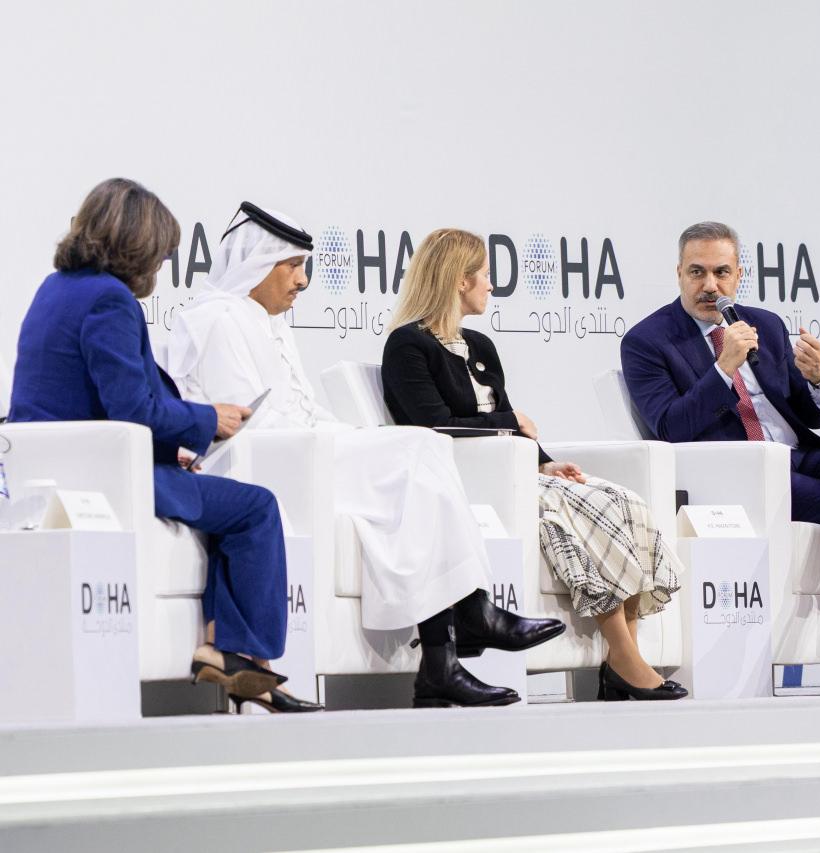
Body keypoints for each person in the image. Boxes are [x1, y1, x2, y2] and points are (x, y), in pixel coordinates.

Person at [165, 203, 564, 708]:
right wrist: (341, 441)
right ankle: (467, 619)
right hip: (267, 462)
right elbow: (244, 422)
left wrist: (350, 434)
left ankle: (448, 650)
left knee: (421, 446)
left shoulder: (268, 322)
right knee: (416, 446)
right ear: (256, 263)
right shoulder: (219, 319)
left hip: (305, 450)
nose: (303, 281)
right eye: (293, 266)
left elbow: (303, 408)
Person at [7, 178, 320, 713]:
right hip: (106, 476)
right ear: (138, 244)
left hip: (67, 463)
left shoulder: (54, 289)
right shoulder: (110, 300)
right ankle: (242, 654)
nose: (161, 265)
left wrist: (171, 446)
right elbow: (134, 410)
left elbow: (95, 402)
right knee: (255, 507)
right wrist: (210, 418)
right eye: (161, 252)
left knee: (224, 501)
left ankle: (229, 651)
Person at [382, 228, 686, 701]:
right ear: (460, 280)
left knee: (619, 500)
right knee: (581, 512)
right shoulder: (408, 346)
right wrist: (509, 423)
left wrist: (544, 465)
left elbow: (511, 424)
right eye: (485, 275)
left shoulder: (480, 345)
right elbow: (434, 424)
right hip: (463, 478)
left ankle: (623, 658)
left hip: (511, 472)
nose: (491, 286)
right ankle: (625, 661)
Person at [621, 221, 820, 692]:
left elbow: (813, 416)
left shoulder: (764, 324)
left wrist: (819, 380)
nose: (709, 285)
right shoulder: (647, 341)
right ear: (679, 272)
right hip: (737, 473)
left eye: (721, 272)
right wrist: (723, 368)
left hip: (795, 455)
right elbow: (670, 427)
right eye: (697, 272)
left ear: (738, 274)